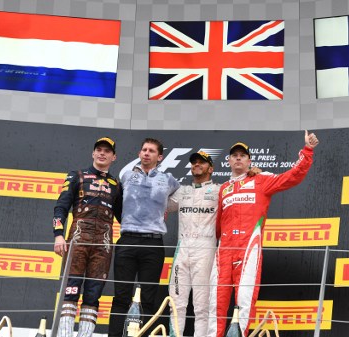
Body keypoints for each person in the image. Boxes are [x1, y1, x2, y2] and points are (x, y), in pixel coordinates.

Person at [207, 131, 320, 337]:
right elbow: (217, 225)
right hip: (224, 251)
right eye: (234, 155)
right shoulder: (223, 188)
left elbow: (292, 176)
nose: (238, 158)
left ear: (249, 161)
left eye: (242, 155)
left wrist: (307, 151)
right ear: (229, 161)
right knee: (217, 302)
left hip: (249, 249)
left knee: (245, 299)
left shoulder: (261, 180)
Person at [109, 138, 180, 337]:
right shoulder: (126, 175)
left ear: (160, 157)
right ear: (140, 154)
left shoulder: (168, 180)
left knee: (149, 298)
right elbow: (116, 204)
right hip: (127, 240)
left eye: (151, 151)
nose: (146, 153)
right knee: (121, 296)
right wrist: (127, 222)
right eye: (143, 150)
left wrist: (165, 209)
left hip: (153, 242)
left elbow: (184, 198)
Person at [53, 137, 122, 337]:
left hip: (103, 245)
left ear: (113, 157)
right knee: (71, 290)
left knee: (93, 294)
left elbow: (125, 216)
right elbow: (60, 208)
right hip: (77, 241)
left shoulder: (116, 184)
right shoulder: (77, 176)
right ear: (93, 153)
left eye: (107, 151)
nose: (102, 153)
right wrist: (58, 235)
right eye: (98, 150)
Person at [166, 151, 219, 337]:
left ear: (210, 168)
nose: (197, 164)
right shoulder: (182, 191)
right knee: (176, 302)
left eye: (202, 162)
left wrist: (256, 172)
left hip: (205, 252)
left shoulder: (219, 190)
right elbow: (159, 206)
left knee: (202, 306)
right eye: (194, 162)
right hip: (182, 251)